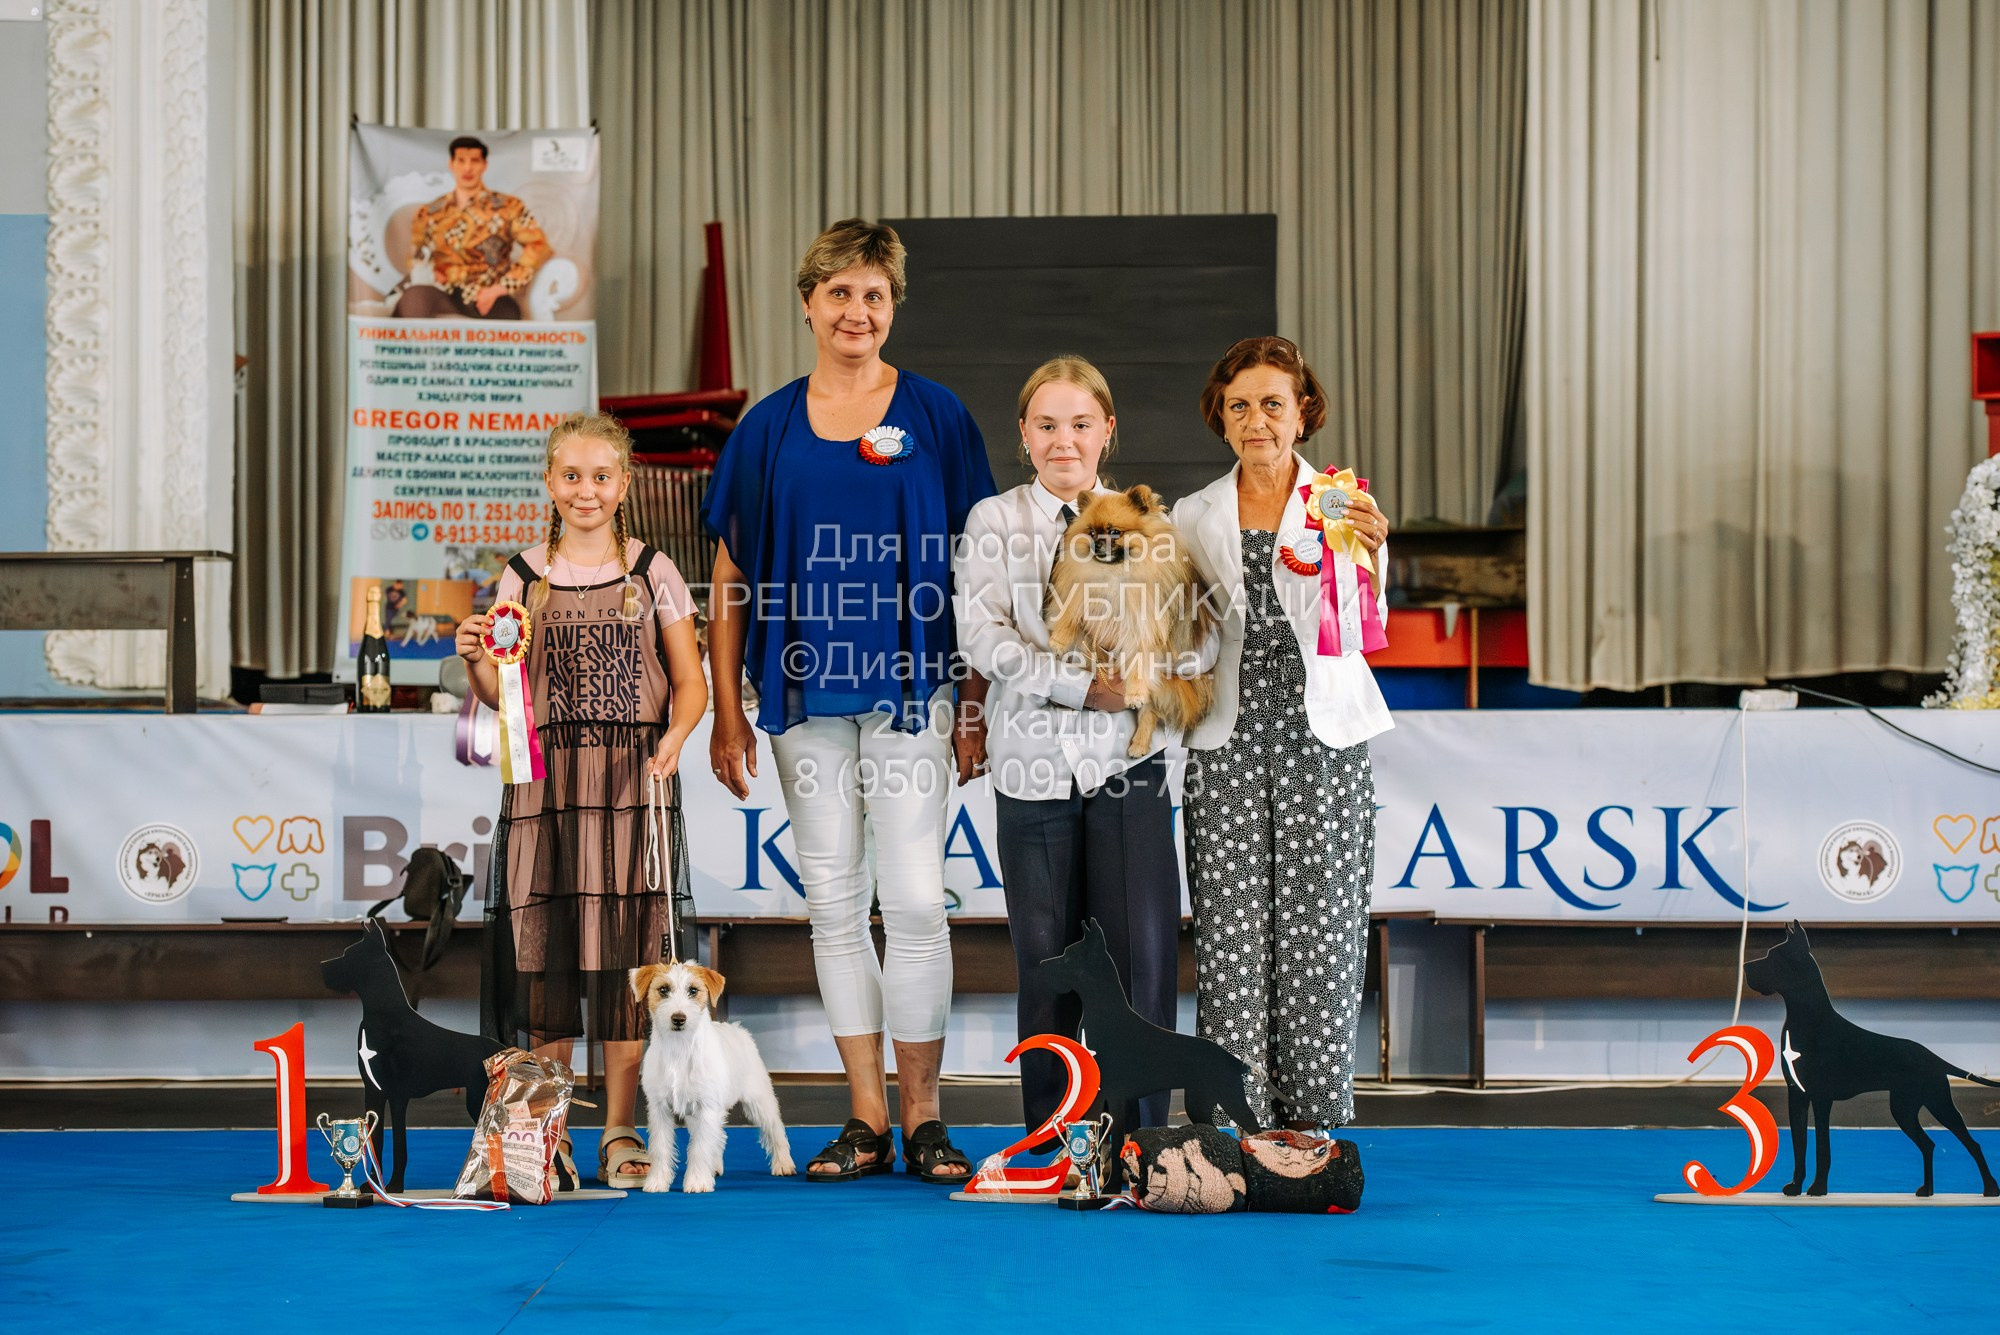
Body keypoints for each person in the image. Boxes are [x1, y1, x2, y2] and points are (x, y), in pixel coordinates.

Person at [702, 218, 996, 1182]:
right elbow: (731, 575)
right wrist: (728, 708)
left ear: (892, 306)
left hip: (917, 687)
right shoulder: (767, 427)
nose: (856, 311)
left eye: (874, 294)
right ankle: (867, 1119)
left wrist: (975, 701)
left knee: (914, 901)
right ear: (808, 303)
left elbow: (981, 567)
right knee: (833, 902)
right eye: (839, 293)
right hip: (797, 692)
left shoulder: (940, 415)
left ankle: (926, 1118)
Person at [953, 355, 1215, 1142]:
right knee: (1046, 969)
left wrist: (1144, 679)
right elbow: (980, 636)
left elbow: (1197, 639)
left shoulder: (1150, 520)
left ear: (1107, 433)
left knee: (1140, 964)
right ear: (1024, 438)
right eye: (1046, 425)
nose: (1063, 439)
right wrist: (1077, 687)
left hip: (1128, 766)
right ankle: (1058, 1140)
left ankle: (1142, 1144)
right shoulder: (994, 522)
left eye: (1079, 424)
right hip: (1033, 763)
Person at [459, 410, 707, 1186]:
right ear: (549, 482)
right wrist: (473, 660)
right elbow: (503, 700)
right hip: (546, 783)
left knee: (629, 960)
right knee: (550, 956)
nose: (586, 490)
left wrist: (674, 738)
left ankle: (622, 1132)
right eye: (572, 475)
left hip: (634, 778)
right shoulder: (521, 577)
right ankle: (548, 1131)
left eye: (602, 475)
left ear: (624, 482)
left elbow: (693, 684)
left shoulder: (654, 569)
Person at [1174, 336, 1391, 1133]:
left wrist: (1372, 554)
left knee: (1324, 926)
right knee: (1230, 934)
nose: (1257, 419)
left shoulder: (1345, 505)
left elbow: (1370, 627)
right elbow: (1180, 633)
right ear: (1221, 419)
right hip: (1225, 738)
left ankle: (1312, 1120)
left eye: (1273, 403)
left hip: (1323, 737)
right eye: (1240, 406)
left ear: (1304, 412)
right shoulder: (1191, 514)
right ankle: (1234, 1121)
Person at [394, 135, 552, 320]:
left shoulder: (508, 207)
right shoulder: (429, 212)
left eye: (474, 161)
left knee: (505, 318)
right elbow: (416, 253)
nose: (467, 168)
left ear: (484, 165)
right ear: (451, 164)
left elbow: (539, 247)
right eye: (461, 161)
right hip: (444, 293)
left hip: (488, 296)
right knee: (414, 298)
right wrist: (430, 270)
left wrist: (500, 288)